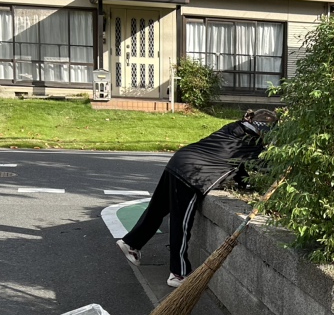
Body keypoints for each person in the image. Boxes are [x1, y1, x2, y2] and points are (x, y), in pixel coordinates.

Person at [117, 108, 276, 287]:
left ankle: (131, 243)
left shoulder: (234, 126)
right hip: (194, 175)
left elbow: (232, 160)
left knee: (158, 208)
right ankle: (178, 273)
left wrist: (240, 180)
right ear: (266, 130)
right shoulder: (254, 145)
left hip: (178, 161)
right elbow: (254, 170)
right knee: (181, 224)